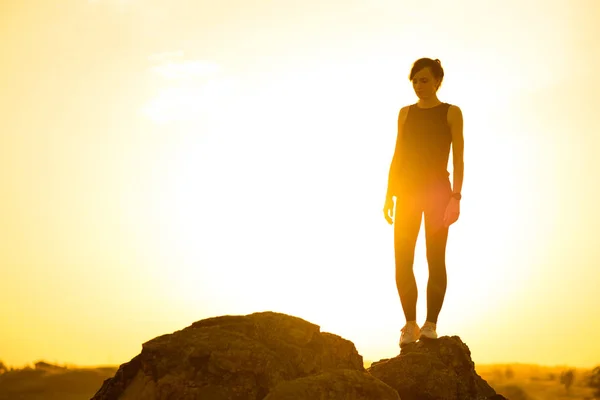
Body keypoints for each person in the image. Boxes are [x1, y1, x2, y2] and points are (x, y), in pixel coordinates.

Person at [383, 58, 464, 348]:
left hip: (438, 194)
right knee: (402, 260)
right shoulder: (405, 114)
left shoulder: (451, 113)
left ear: (438, 81)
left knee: (435, 259)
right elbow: (398, 154)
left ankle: (430, 324)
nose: (420, 85)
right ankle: (409, 324)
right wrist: (388, 194)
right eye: (415, 80)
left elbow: (459, 158)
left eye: (425, 80)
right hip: (406, 193)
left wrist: (455, 197)